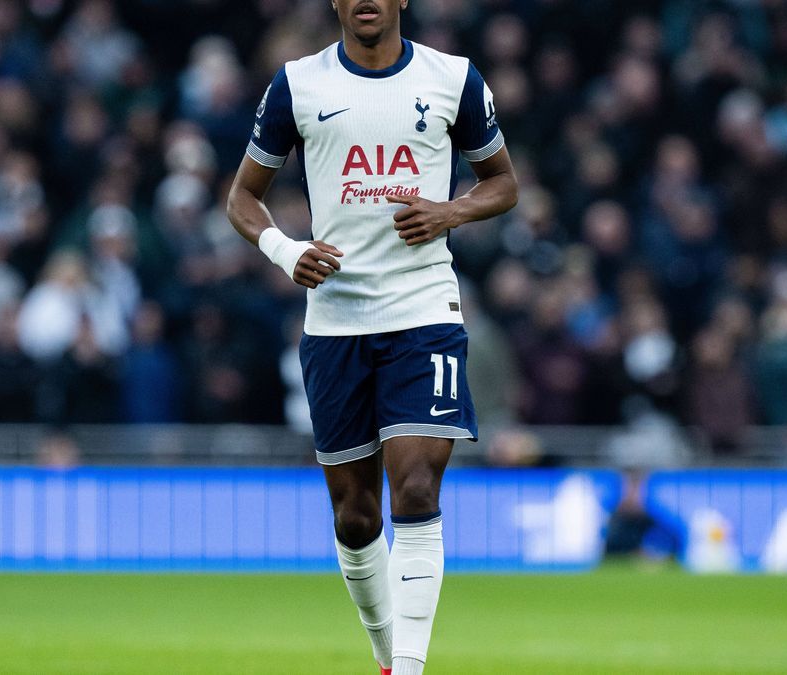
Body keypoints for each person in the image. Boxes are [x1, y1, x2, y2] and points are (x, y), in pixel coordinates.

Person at [226, 1, 518, 673]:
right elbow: (243, 197)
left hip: (424, 309)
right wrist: (282, 249)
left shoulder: (454, 78)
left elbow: (503, 183)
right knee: (355, 517)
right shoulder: (297, 85)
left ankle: (409, 669)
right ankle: (390, 658)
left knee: (415, 486)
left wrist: (450, 209)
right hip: (335, 320)